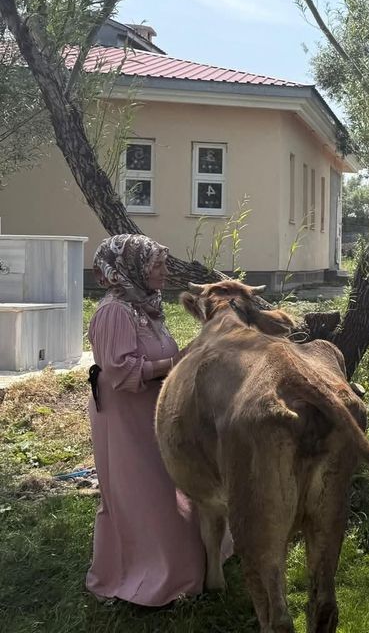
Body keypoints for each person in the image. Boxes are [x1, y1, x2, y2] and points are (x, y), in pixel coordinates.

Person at [85, 234, 210, 606]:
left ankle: (179, 573)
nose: (164, 271)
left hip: (151, 413)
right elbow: (120, 373)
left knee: (167, 491)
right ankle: (143, 578)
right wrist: (182, 361)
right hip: (126, 417)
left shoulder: (145, 307)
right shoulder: (114, 312)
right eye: (157, 265)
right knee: (143, 495)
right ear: (131, 269)